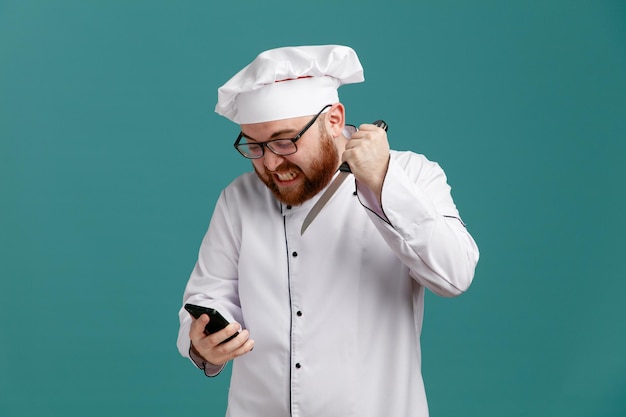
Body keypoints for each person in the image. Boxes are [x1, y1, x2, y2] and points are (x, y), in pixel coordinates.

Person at [177, 44, 479, 417]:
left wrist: (383, 182)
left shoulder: (411, 175)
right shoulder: (238, 199)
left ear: (334, 120)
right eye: (255, 147)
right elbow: (210, 295)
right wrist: (203, 344)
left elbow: (455, 275)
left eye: (285, 141)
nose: (272, 163)